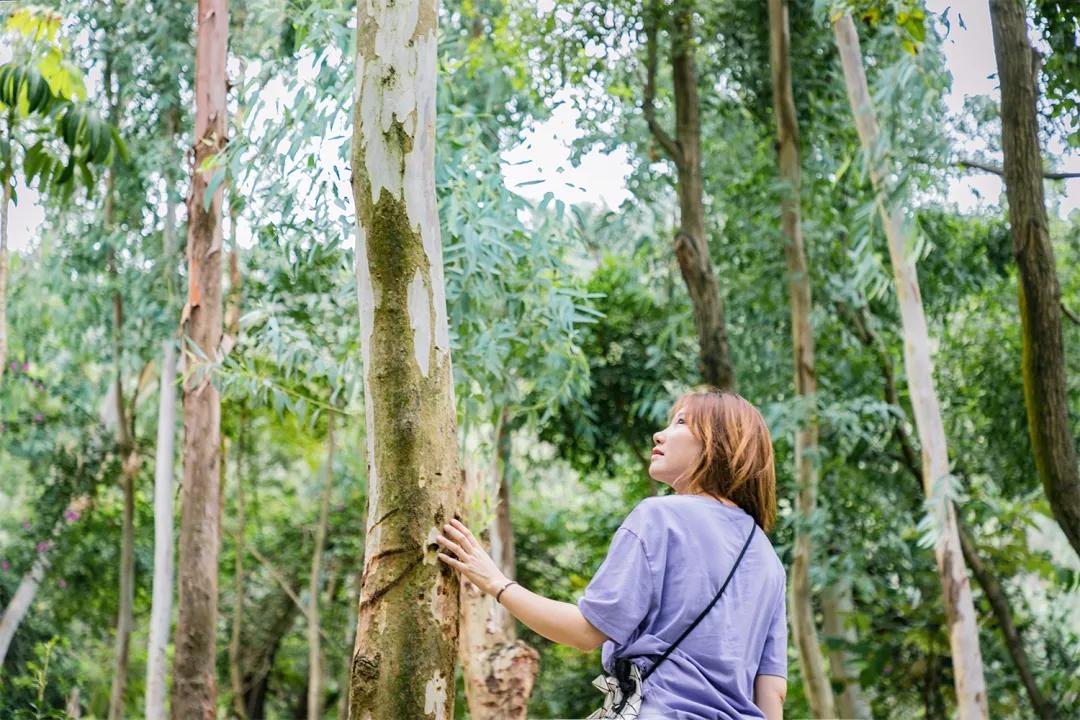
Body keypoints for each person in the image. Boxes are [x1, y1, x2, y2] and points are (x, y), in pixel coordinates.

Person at [435, 388, 788, 720]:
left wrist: (494, 582)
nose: (659, 435)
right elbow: (771, 691)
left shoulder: (661, 517)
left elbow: (586, 632)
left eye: (680, 422)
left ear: (719, 443)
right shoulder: (767, 558)